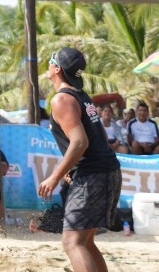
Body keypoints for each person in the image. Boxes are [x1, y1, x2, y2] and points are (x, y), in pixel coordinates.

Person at [38, 47, 121, 272]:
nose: (47, 65)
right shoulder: (81, 97)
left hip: (93, 175)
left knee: (72, 242)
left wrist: (54, 177)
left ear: (56, 69)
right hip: (106, 170)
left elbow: (80, 142)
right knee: (85, 241)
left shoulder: (61, 99)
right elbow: (99, 136)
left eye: (50, 61)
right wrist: (71, 166)